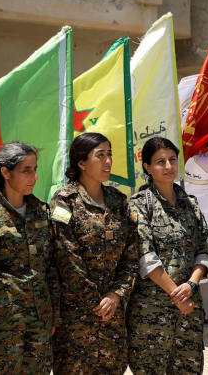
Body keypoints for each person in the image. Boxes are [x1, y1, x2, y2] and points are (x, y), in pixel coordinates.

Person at [49, 132, 138, 375]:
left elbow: (131, 254)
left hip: (112, 315)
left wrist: (116, 295)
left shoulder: (118, 201)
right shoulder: (63, 202)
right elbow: (66, 256)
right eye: (100, 156)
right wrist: (95, 302)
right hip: (77, 318)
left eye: (109, 155)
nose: (108, 161)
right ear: (81, 163)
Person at [0, 141, 57, 374]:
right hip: (1, 328)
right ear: (6, 172)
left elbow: (51, 268)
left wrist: (54, 315)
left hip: (39, 323)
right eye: (26, 170)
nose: (34, 177)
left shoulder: (42, 212)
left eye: (35, 169)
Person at [126, 136, 208, 375]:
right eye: (160, 161)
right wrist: (177, 295)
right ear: (147, 167)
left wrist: (191, 285)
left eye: (172, 160)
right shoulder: (139, 205)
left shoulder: (191, 205)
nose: (168, 167)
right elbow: (145, 256)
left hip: (189, 310)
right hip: (152, 314)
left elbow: (205, 249)